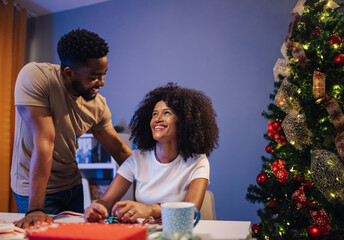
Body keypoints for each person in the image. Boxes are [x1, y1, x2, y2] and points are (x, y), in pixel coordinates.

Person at [11, 29, 132, 228]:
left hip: (72, 186)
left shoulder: (98, 105)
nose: (101, 83)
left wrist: (156, 182)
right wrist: (35, 209)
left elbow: (119, 150)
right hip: (35, 190)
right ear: (69, 72)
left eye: (103, 75)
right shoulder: (35, 77)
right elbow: (45, 141)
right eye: (94, 76)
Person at [84, 82, 219, 223]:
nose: (157, 119)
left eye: (166, 113)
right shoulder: (137, 158)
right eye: (154, 114)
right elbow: (106, 201)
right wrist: (98, 208)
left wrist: (150, 209)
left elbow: (191, 211)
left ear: (184, 121)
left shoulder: (198, 161)